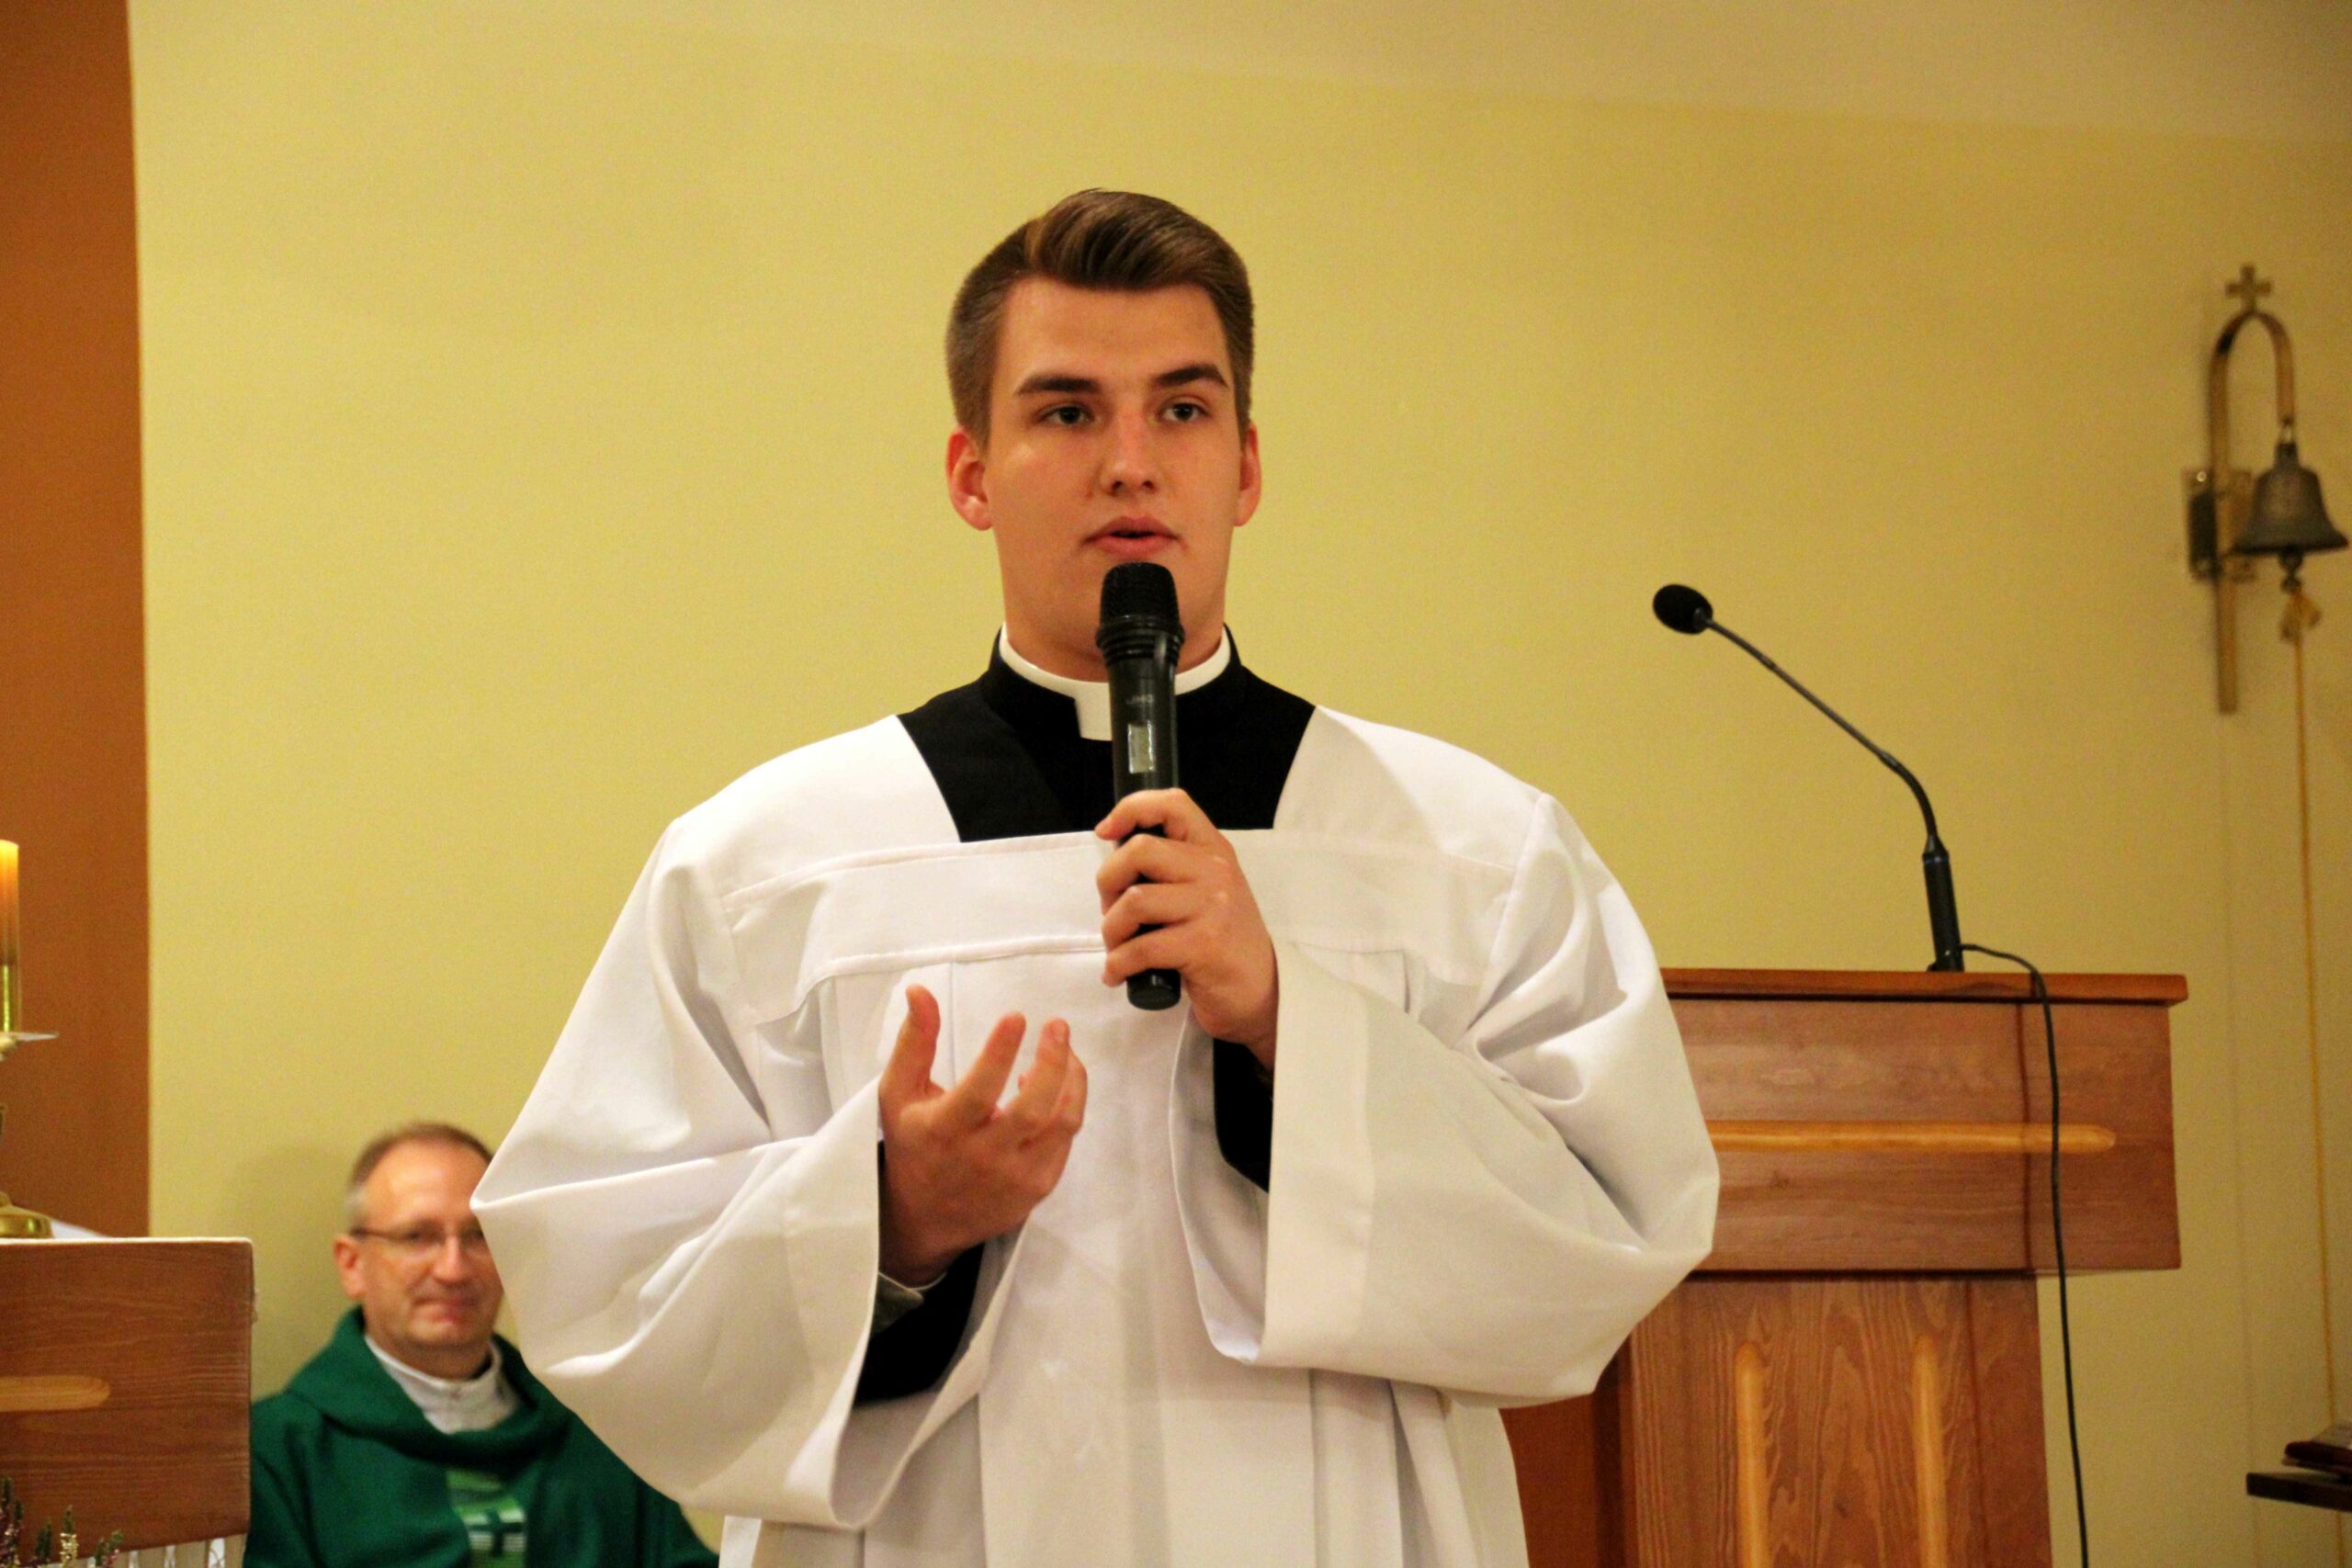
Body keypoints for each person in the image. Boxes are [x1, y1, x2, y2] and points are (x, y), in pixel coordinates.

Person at [472, 190, 1719, 1568]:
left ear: (1246, 465)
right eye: (1067, 412)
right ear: (971, 473)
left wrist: (1291, 1026)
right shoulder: (772, 862)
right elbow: (601, 1285)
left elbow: (1614, 1236)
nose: (1131, 464)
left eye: (1181, 410)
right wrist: (889, 1218)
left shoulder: (1467, 848)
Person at [247, 1122, 718, 1568]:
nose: (453, 1270)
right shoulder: (275, 1452)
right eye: (417, 1237)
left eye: (479, 1236)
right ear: (352, 1265)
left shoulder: (598, 1430)